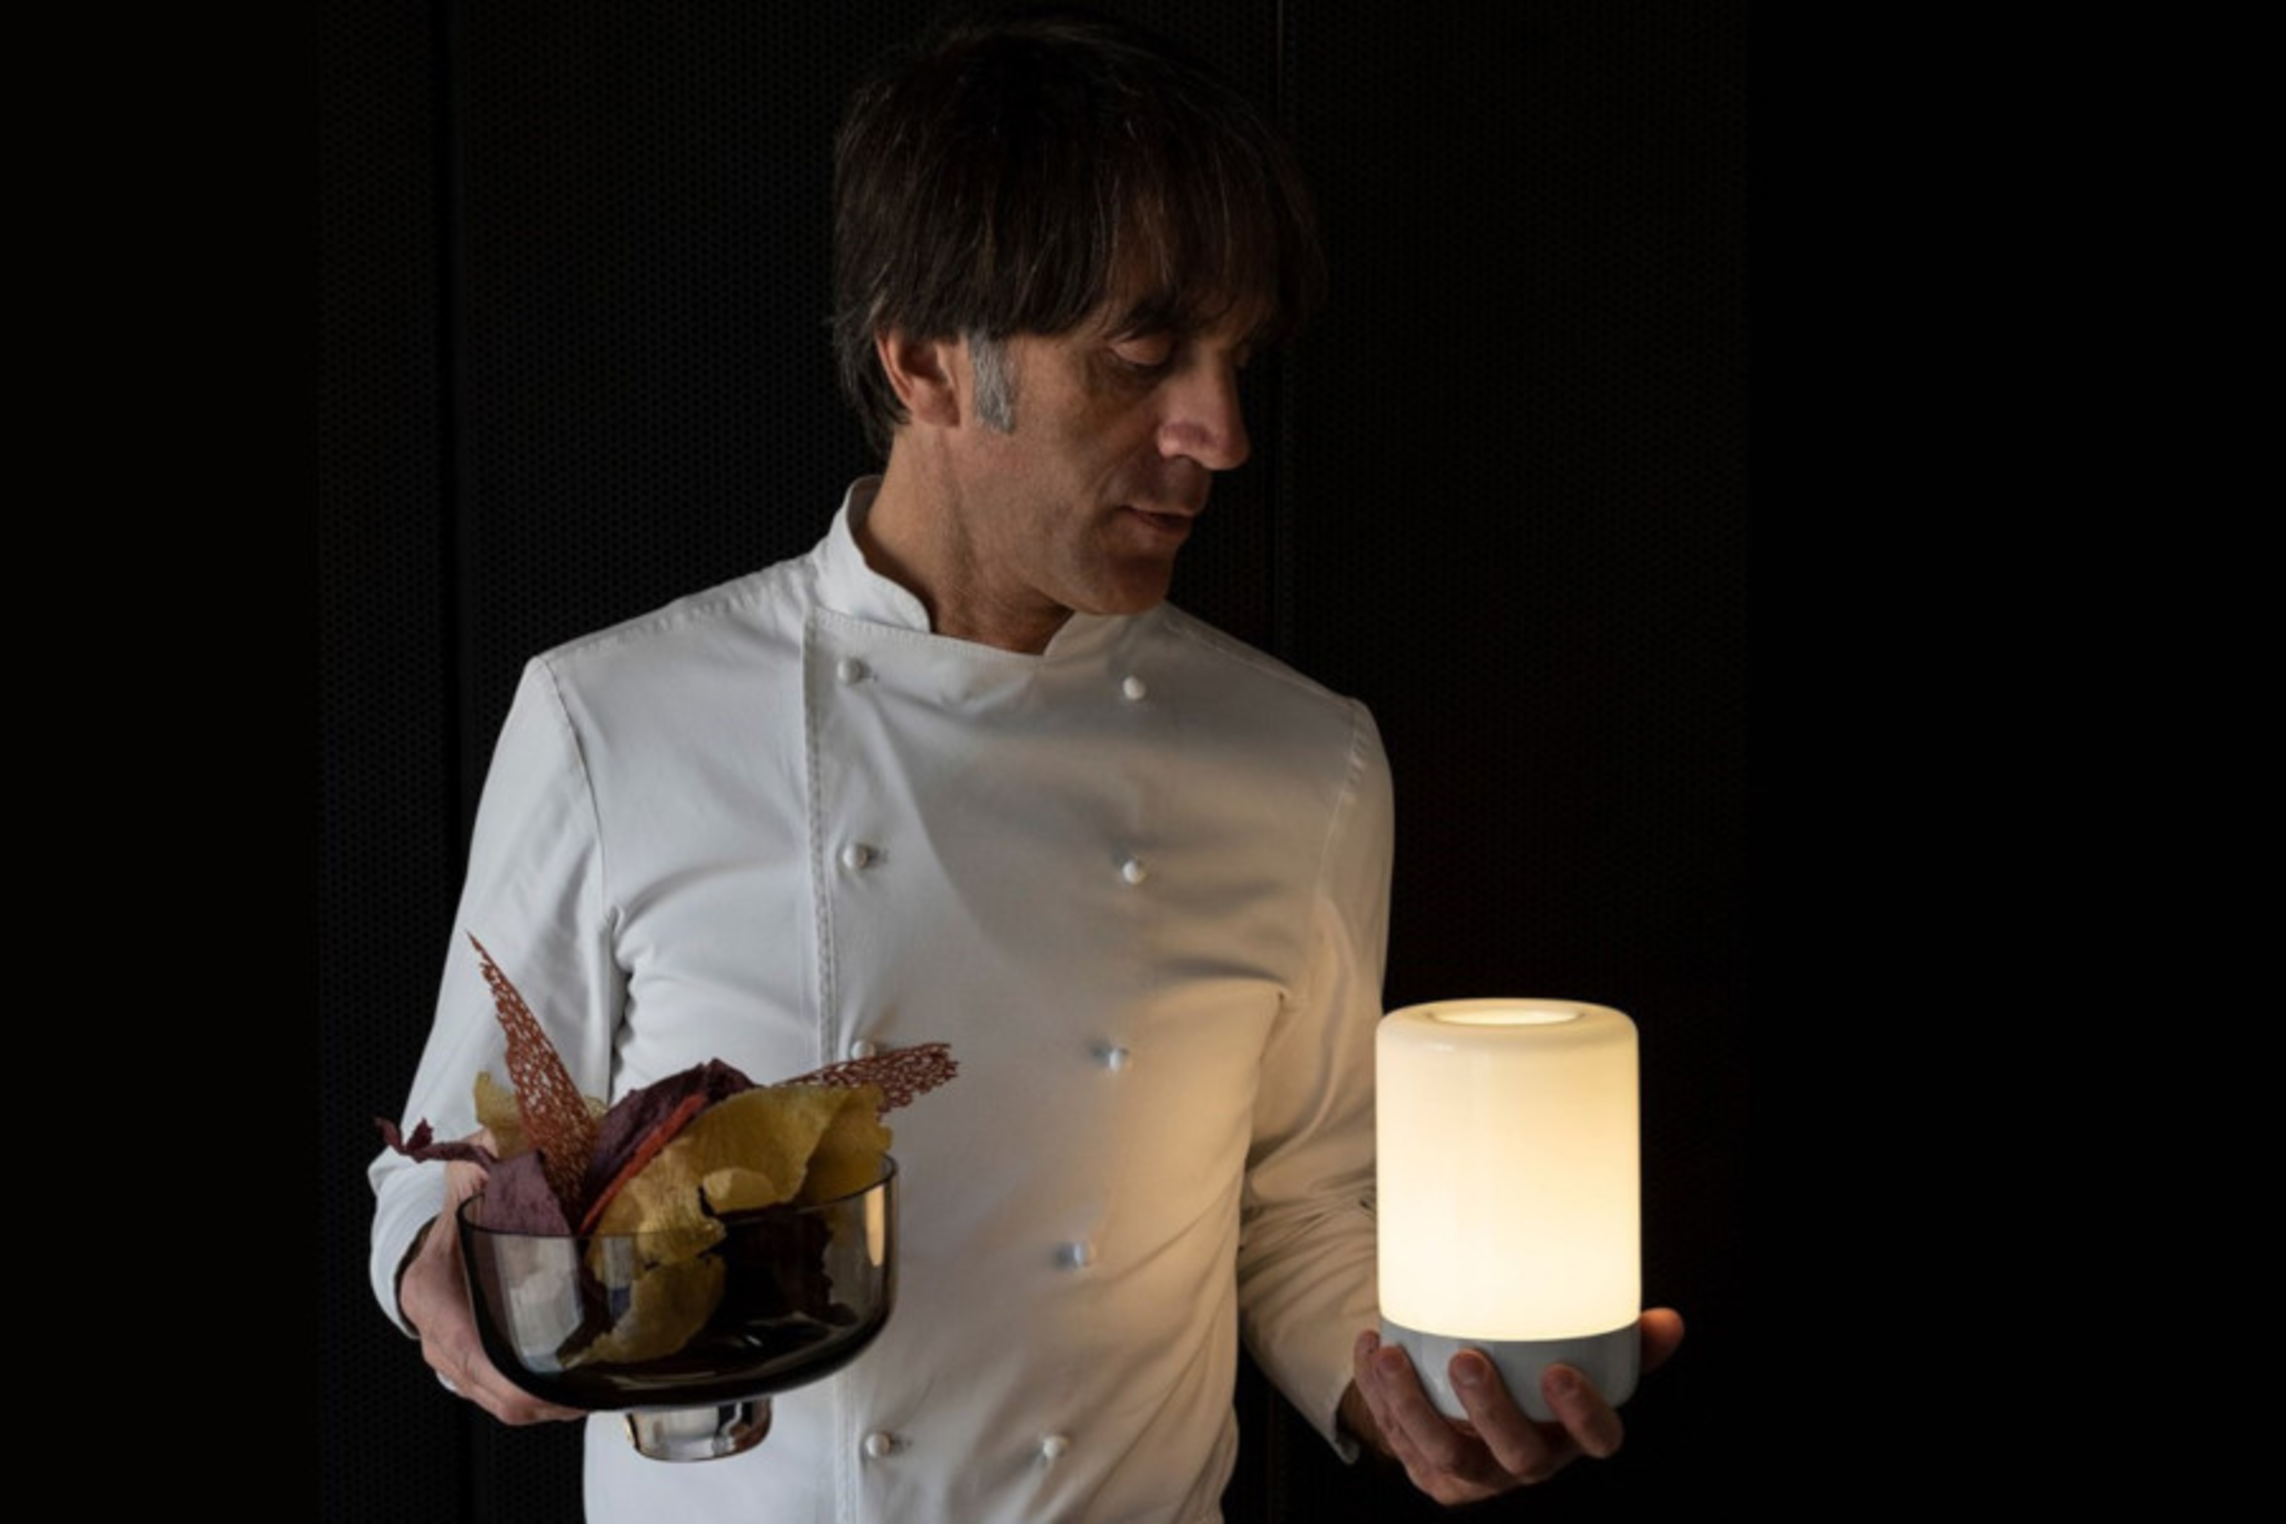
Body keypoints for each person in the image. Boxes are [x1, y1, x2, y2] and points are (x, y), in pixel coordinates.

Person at [367, 7, 1680, 1519]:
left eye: (1234, 360)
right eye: (1143, 355)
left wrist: (1415, 1399)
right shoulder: (615, 719)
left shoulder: (1304, 763)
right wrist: (442, 1271)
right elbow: (455, 1160)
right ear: (926, 360)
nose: (1221, 432)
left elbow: (1301, 1210)